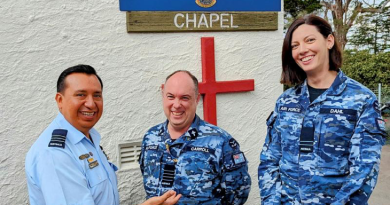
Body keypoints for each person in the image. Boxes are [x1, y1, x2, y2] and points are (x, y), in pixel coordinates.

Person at [258, 14, 387, 205]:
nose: (302, 50)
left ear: (329, 41)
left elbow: (364, 170)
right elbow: (270, 160)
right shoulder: (286, 101)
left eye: (310, 40)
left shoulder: (361, 100)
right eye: (295, 46)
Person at [25, 64, 181, 205]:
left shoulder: (87, 137)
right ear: (60, 100)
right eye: (81, 95)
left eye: (97, 95)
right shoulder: (56, 153)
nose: (91, 103)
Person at [139, 70, 251, 205]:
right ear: (163, 94)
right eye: (171, 96)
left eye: (184, 98)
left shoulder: (220, 141)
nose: (176, 104)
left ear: (197, 99)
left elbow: (238, 193)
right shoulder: (150, 137)